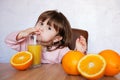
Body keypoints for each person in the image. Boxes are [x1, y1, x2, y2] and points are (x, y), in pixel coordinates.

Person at [5, 10, 87, 64]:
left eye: (49, 28)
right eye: (41, 23)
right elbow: (8, 41)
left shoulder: (61, 50)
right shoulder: (27, 41)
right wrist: (21, 34)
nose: (41, 28)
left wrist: (79, 52)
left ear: (56, 38)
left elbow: (72, 62)